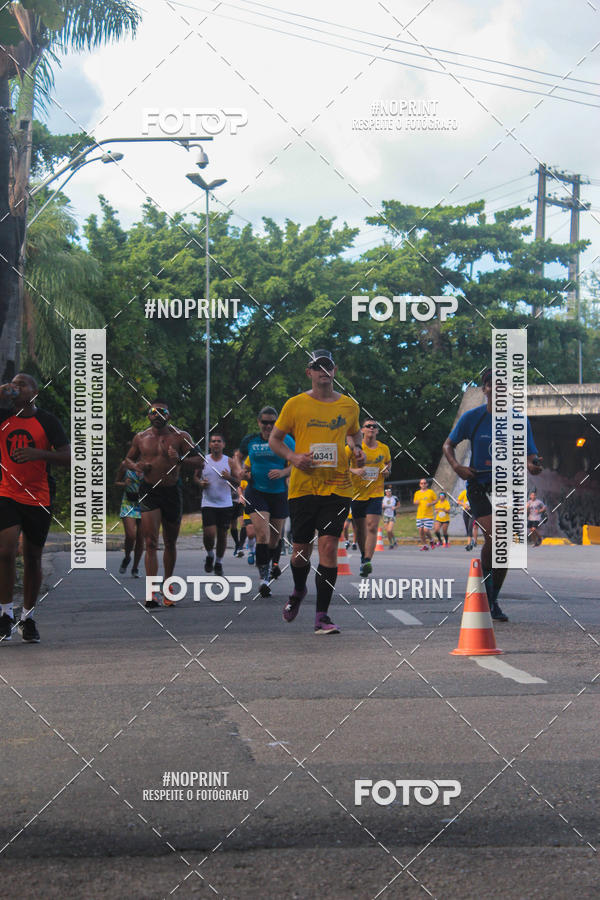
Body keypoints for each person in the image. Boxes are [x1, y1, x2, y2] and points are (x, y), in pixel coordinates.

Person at [269, 349, 365, 634]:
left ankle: (322, 615)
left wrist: (357, 450)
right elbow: (275, 440)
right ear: (309, 372)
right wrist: (293, 457)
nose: (324, 371)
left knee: (328, 546)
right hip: (303, 487)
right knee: (300, 550)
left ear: (335, 370)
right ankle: (298, 590)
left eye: (328, 366)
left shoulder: (349, 405)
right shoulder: (295, 404)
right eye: (318, 366)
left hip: (337, 486)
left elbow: (354, 434)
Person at [443, 368, 542, 621]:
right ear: (485, 389)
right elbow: (448, 445)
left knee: (504, 547)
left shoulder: (519, 421)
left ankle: (492, 598)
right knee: (495, 535)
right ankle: (487, 595)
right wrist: (457, 467)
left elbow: (530, 456)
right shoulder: (472, 418)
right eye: (491, 384)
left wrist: (533, 465)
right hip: (478, 484)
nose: (497, 388)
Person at [0, 374, 71, 643]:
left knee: (32, 557)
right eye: (14, 384)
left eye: (23, 384)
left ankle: (27, 617)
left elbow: (68, 456)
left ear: (35, 392)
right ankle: (5, 614)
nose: (17, 388)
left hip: (38, 495)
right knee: (5, 551)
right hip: (6, 492)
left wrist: (39, 453)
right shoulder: (3, 416)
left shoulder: (47, 421)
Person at [126, 401, 204, 608]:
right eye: (153, 411)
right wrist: (137, 466)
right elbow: (128, 460)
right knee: (151, 542)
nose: (157, 415)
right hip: (149, 491)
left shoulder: (181, 436)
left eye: (162, 412)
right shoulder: (141, 438)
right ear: (148, 415)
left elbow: (200, 461)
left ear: (169, 416)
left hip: (171, 491)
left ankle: (168, 587)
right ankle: (151, 592)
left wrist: (180, 460)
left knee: (170, 542)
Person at [235, 407, 293, 597]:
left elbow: (295, 464)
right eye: (265, 422)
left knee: (274, 539)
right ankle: (263, 579)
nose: (268, 426)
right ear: (259, 422)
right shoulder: (250, 440)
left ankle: (270, 564)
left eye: (272, 422)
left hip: (279, 493)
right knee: (262, 535)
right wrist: (240, 471)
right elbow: (238, 457)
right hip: (256, 492)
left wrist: (283, 472)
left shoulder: (286, 440)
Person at [346, 418, 391, 576]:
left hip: (376, 492)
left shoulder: (384, 448)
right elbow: (341, 466)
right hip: (357, 493)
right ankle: (363, 557)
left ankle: (366, 561)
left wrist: (387, 471)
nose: (371, 428)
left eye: (374, 426)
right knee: (359, 529)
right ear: (362, 430)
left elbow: (388, 463)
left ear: (377, 431)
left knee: (372, 526)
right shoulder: (354, 448)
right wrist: (355, 471)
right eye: (368, 426)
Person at [194, 433, 242, 577]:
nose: (216, 443)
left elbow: (239, 482)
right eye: (213, 441)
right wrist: (200, 483)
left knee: (222, 536)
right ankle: (210, 555)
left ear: (223, 445)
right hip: (208, 503)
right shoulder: (204, 460)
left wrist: (229, 478)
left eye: (219, 441)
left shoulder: (230, 461)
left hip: (225, 504)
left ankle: (219, 562)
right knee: (209, 534)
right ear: (209, 445)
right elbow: (195, 477)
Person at [115, 451, 143, 577]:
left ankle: (135, 568)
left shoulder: (149, 466)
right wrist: (124, 484)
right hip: (128, 503)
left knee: (141, 538)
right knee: (131, 535)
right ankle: (127, 557)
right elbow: (116, 482)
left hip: (144, 504)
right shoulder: (125, 465)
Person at [413, 478, 437, 551]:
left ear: (427, 484)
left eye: (424, 483)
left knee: (426, 530)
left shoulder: (430, 492)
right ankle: (425, 545)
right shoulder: (417, 493)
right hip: (419, 515)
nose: (423, 484)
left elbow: (436, 500)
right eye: (421, 483)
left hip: (428, 515)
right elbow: (414, 502)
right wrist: (416, 502)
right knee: (421, 531)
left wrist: (430, 503)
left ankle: (431, 540)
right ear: (420, 485)